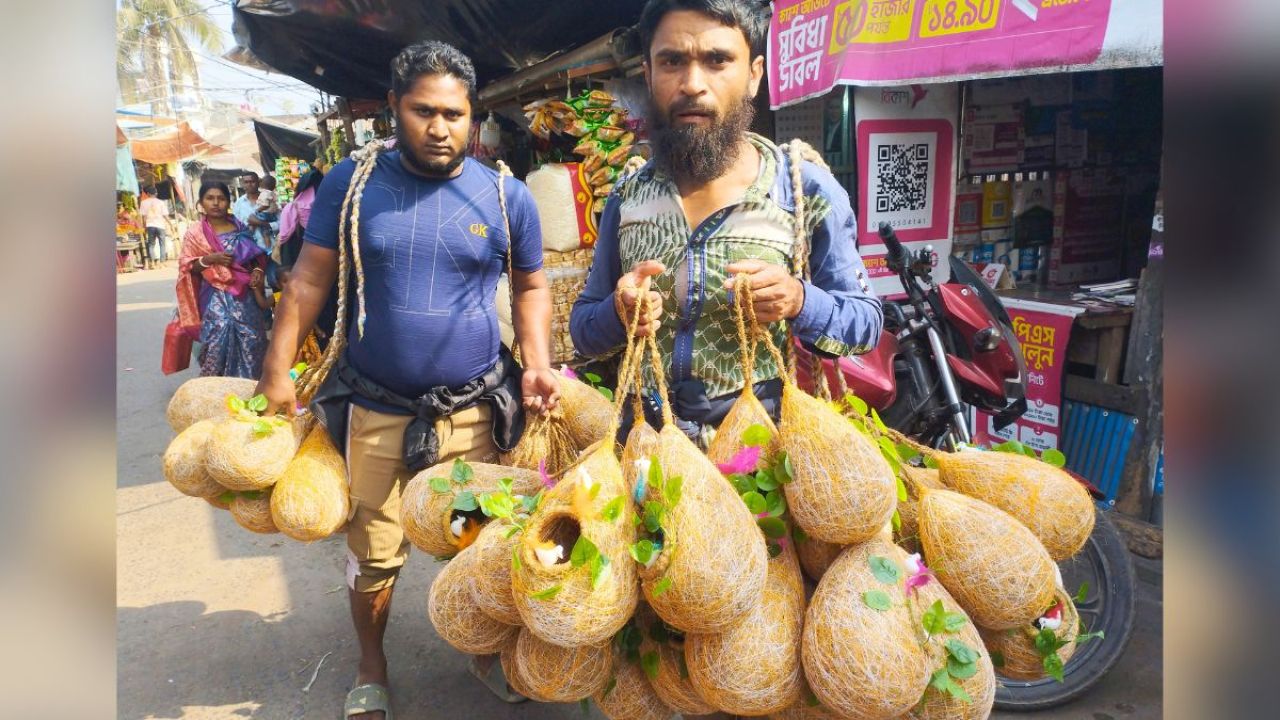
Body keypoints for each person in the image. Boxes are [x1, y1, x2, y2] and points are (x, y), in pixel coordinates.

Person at [254, 40, 558, 720]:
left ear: (473, 114)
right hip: (375, 407)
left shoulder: (506, 196)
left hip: (477, 410)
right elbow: (307, 279)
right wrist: (275, 368)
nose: (441, 127)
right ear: (394, 107)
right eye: (424, 110)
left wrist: (537, 362)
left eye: (455, 113)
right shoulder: (351, 185)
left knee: (477, 545)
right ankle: (372, 664)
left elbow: (531, 285)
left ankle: (482, 651)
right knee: (375, 554)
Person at [570, 0, 883, 444]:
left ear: (754, 74)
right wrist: (617, 314)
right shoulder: (628, 194)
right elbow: (583, 332)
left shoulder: (800, 187)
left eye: (717, 60)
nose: (693, 84)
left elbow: (865, 323)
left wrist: (798, 301)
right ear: (649, 73)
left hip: (757, 451)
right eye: (672, 61)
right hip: (645, 444)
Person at [175, 181, 272, 379]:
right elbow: (187, 266)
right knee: (217, 336)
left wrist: (258, 270)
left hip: (245, 297)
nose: (216, 203)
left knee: (252, 338)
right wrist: (210, 259)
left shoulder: (239, 226)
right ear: (201, 203)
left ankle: (249, 386)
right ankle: (215, 387)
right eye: (210, 198)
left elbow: (256, 257)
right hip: (213, 296)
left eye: (221, 198)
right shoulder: (195, 233)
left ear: (228, 201)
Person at [139, 187, 170, 266]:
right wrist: (170, 224)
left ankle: (153, 261)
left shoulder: (143, 203)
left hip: (150, 225)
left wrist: (144, 226)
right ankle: (162, 262)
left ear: (148, 194)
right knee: (162, 244)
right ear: (156, 193)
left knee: (151, 244)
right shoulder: (161, 202)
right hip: (160, 225)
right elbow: (165, 215)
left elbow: (143, 217)